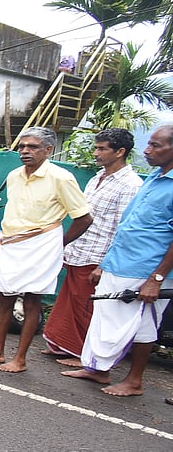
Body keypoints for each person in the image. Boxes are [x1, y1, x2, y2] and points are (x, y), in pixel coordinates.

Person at [62, 124, 173, 396]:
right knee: (106, 317)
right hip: (120, 262)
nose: (147, 150)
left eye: (156, 146)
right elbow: (126, 226)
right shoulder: (153, 179)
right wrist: (105, 263)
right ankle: (98, 369)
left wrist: (156, 279)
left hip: (147, 268)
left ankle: (134, 381)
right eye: (149, 144)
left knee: (141, 324)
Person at [0, 127, 92, 373]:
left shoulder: (61, 177)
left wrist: (59, 244)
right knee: (4, 296)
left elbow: (84, 218)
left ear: (48, 150)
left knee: (32, 300)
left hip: (42, 243)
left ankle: (20, 359)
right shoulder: (14, 175)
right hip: (11, 241)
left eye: (33, 147)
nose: (25, 151)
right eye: (22, 146)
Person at [42, 128, 142, 360]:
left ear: (120, 152)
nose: (96, 153)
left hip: (98, 256)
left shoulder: (130, 185)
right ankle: (62, 345)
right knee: (69, 302)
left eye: (102, 149)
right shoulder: (98, 177)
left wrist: (104, 265)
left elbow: (122, 228)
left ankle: (82, 355)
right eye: (96, 147)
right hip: (80, 250)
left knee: (86, 307)